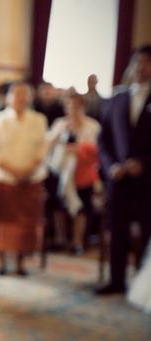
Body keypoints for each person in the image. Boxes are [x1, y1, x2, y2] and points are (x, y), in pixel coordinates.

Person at [96, 44, 151, 295]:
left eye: (146, 62)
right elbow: (103, 139)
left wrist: (144, 163)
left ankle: (142, 284)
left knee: (146, 231)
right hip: (117, 179)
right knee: (117, 231)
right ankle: (116, 280)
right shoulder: (117, 99)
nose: (140, 68)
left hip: (146, 181)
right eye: (137, 62)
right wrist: (111, 167)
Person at [0, 81, 48, 275]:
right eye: (16, 94)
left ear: (30, 97)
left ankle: (21, 263)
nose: (21, 98)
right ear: (8, 98)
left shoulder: (39, 119)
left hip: (31, 178)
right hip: (4, 178)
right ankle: (1, 262)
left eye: (25, 94)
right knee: (1, 221)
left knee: (26, 224)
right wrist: (14, 171)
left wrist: (27, 171)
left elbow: (42, 148)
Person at [47, 93, 101, 254]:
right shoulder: (59, 123)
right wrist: (58, 134)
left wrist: (79, 148)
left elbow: (97, 150)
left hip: (82, 171)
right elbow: (48, 145)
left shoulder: (92, 126)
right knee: (58, 205)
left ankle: (77, 241)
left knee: (81, 207)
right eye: (69, 106)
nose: (72, 109)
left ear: (82, 107)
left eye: (76, 106)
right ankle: (60, 238)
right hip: (60, 169)